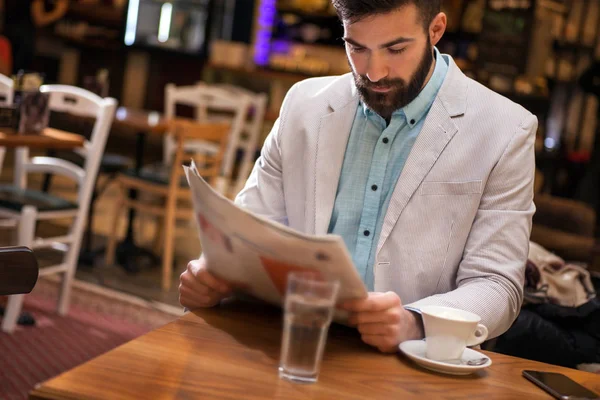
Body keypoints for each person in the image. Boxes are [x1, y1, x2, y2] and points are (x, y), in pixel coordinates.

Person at [180, 0, 537, 353]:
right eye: (357, 47)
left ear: (436, 30)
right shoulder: (304, 105)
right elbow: (248, 234)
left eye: (395, 49)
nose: (374, 72)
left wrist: (415, 323)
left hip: (410, 362)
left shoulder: (505, 130)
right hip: (289, 341)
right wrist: (213, 274)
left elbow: (497, 285)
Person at [2, 0, 69, 73]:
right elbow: (39, 19)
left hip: (8, 33)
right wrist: (59, 11)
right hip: (23, 38)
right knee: (19, 71)